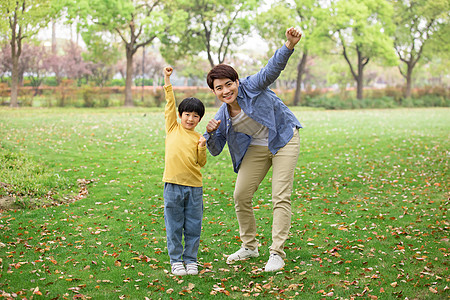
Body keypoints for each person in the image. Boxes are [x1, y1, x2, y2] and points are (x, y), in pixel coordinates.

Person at [204, 27, 302, 272]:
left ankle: (277, 253)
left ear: (237, 82)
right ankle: (249, 246)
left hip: (283, 138)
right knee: (240, 195)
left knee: (280, 195)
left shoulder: (252, 86)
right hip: (258, 147)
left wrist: (288, 46)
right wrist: (210, 132)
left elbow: (271, 70)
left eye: (229, 84)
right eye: (219, 88)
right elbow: (215, 149)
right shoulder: (222, 116)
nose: (226, 90)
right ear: (214, 92)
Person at [162, 66, 207, 276]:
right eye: (187, 114)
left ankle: (191, 260)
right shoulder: (173, 128)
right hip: (172, 185)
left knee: (193, 226)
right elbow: (170, 104)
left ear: (199, 119)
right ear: (180, 115)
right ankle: (175, 260)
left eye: (195, 116)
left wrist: (202, 148)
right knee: (174, 225)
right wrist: (167, 80)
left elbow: (201, 163)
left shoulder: (198, 137)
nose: (190, 119)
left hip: (194, 188)